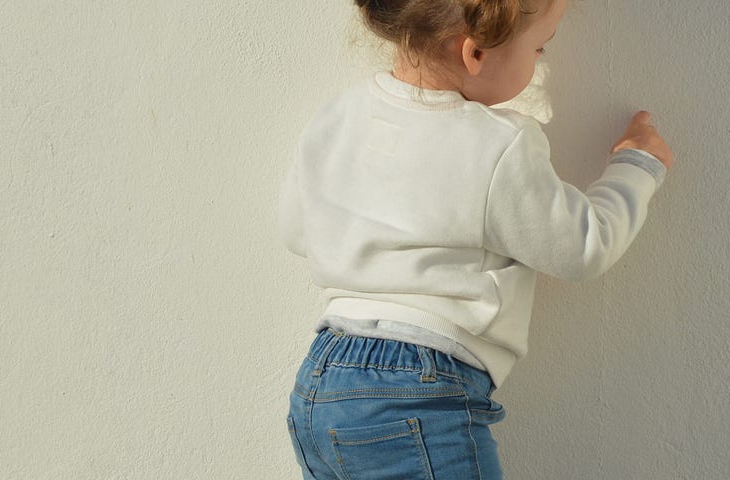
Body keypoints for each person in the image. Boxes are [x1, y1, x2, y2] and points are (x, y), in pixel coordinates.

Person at [277, 0, 674, 477]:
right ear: (476, 54)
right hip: (416, 387)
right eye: (540, 47)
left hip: (322, 379)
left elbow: (297, 230)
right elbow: (584, 246)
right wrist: (636, 167)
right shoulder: (497, 144)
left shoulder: (337, 115)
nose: (540, 61)